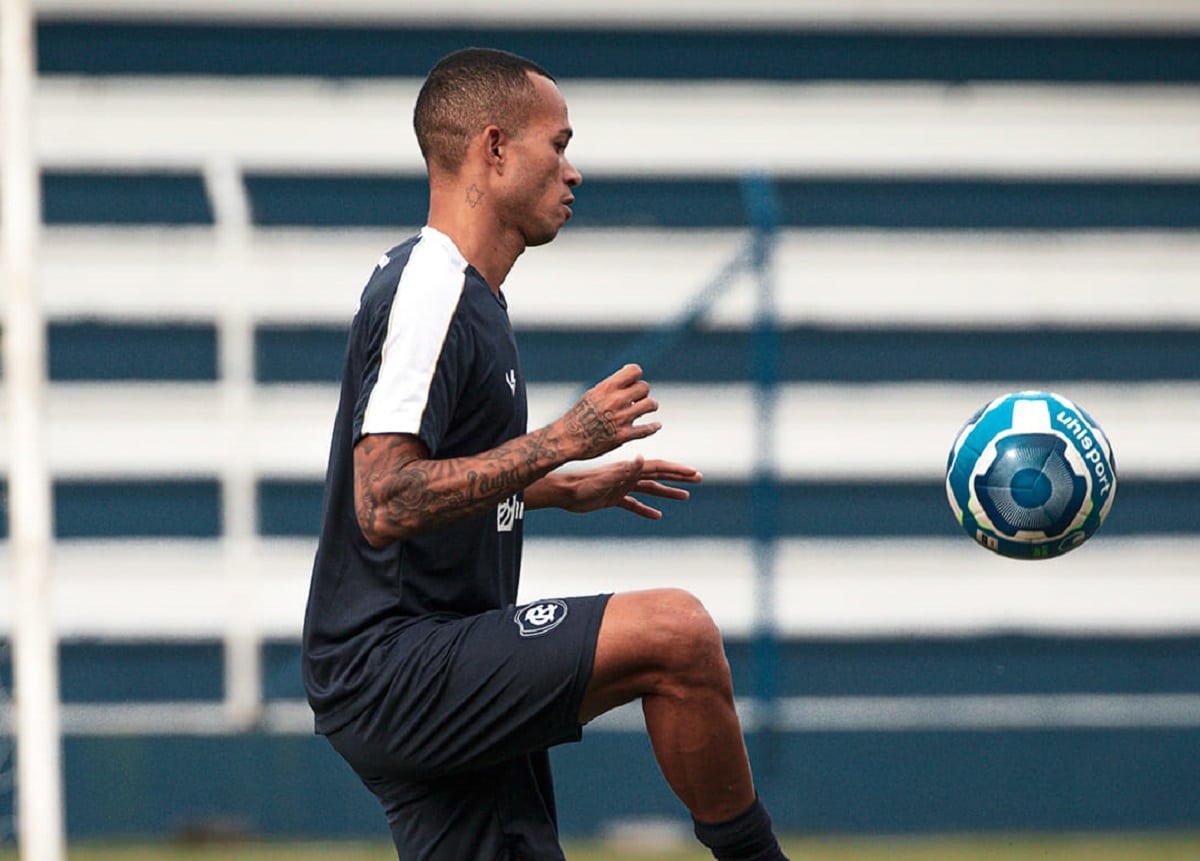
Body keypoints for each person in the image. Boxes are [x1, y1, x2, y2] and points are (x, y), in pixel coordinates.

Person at [301, 47, 790, 861]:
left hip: (426, 660)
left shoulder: (471, 297)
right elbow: (383, 498)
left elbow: (435, 481)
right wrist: (561, 437)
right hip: (395, 663)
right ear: (494, 150)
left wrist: (555, 486)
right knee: (678, 634)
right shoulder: (431, 287)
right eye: (557, 145)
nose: (573, 171)